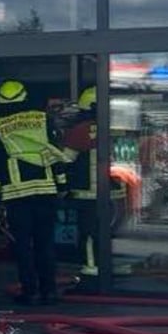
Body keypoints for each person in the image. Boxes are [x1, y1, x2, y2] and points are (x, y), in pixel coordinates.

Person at [0, 80, 68, 305]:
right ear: (24, 97)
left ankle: (29, 292)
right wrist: (61, 185)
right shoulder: (42, 119)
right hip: (46, 191)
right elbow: (55, 153)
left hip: (17, 194)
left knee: (23, 245)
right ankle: (49, 291)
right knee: (45, 243)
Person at [61, 86, 129, 290]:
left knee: (89, 235)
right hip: (116, 193)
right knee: (106, 233)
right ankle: (107, 269)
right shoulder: (116, 127)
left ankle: (91, 275)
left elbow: (65, 159)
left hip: (88, 194)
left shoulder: (81, 130)